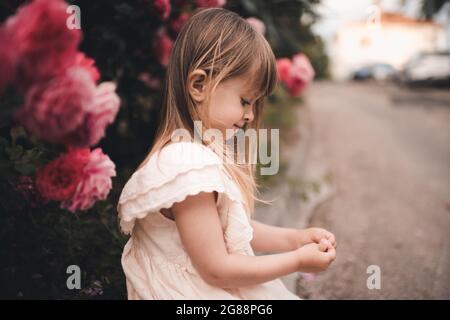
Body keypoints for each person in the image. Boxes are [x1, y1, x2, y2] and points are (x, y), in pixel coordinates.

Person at [117, 7, 337, 300]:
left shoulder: (195, 155)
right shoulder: (186, 165)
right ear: (199, 85)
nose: (249, 115)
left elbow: (230, 228)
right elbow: (217, 269)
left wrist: (293, 239)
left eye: (254, 104)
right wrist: (296, 262)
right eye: (245, 100)